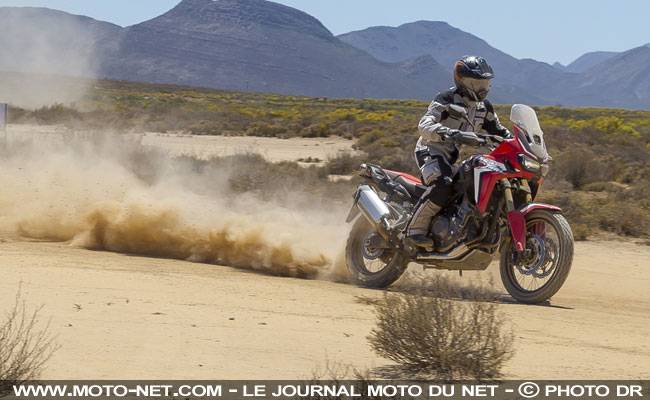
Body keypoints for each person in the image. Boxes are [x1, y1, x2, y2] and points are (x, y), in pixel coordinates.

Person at [406, 55, 512, 248]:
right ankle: (414, 230)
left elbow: (499, 131)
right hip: (430, 150)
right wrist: (447, 132)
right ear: (462, 82)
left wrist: (519, 144)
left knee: (469, 187)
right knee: (443, 184)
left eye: (485, 83)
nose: (482, 89)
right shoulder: (446, 99)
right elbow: (424, 124)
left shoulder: (484, 108)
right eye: (476, 83)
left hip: (452, 159)